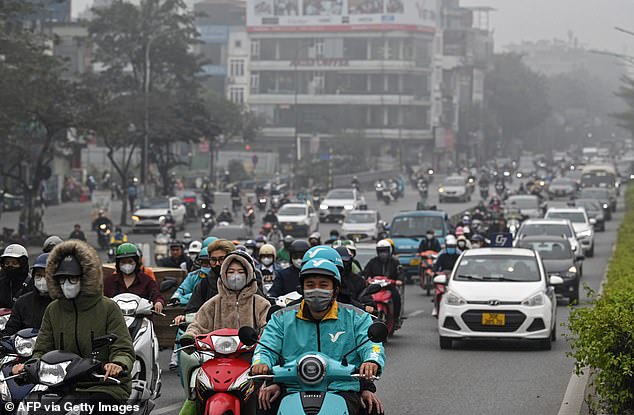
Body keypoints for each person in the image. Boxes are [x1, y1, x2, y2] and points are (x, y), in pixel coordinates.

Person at [12, 240, 135, 410]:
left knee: (98, 407)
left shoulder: (108, 308)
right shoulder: (53, 310)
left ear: (85, 277)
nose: (66, 284)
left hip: (104, 384)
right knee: (31, 406)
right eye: (62, 279)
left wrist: (117, 364)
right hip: (61, 385)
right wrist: (28, 367)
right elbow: (41, 350)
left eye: (72, 278)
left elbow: (123, 348)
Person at [253, 259, 385, 415]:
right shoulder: (281, 318)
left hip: (342, 389)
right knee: (262, 405)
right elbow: (266, 346)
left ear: (335, 289)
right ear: (302, 289)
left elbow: (372, 345)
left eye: (323, 285)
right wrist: (261, 362)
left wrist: (371, 360)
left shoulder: (356, 317)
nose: (316, 290)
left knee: (373, 409)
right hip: (292, 388)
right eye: (310, 285)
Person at [179, 251, 271, 415]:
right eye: (231, 272)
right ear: (223, 274)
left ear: (249, 274)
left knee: (261, 399)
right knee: (195, 395)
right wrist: (190, 336)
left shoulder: (260, 303)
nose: (235, 276)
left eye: (241, 272)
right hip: (215, 361)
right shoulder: (213, 303)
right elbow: (198, 324)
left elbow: (269, 329)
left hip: (251, 363)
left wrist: (261, 343)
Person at [103, 243, 165, 314]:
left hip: (141, 319)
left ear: (136, 262)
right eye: (123, 262)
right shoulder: (109, 281)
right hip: (115, 320)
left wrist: (158, 302)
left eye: (130, 262)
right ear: (118, 263)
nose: (127, 264)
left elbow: (156, 294)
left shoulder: (146, 280)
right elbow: (102, 298)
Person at [1, 253, 52, 336]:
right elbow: (10, 330)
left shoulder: (63, 303)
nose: (42, 280)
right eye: (38, 275)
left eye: (47, 276)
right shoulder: (22, 302)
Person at [363, 240, 403, 329]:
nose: (383, 254)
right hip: (375, 287)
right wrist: (364, 279)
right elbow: (365, 272)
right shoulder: (372, 262)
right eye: (381, 251)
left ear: (389, 251)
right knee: (364, 297)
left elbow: (400, 272)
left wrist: (399, 280)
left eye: (385, 251)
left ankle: (396, 318)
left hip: (389, 286)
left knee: (396, 297)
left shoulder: (394, 262)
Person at [334, 246, 374, 313]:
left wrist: (367, 307)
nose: (343, 265)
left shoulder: (358, 281)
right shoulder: (331, 280)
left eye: (345, 262)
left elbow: (366, 299)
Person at [0, 244, 31, 308]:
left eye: (14, 263)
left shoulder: (32, 284)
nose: (10, 266)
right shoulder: (1, 282)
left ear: (23, 264)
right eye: (7, 263)